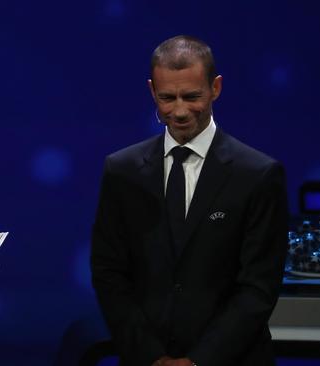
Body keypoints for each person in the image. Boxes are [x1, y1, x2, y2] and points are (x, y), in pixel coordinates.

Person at [90, 35, 288, 366]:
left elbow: (258, 287)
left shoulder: (258, 174)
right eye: (167, 98)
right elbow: (108, 272)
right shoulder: (121, 170)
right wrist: (151, 356)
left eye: (192, 96)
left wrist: (198, 361)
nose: (179, 111)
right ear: (152, 90)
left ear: (216, 88)